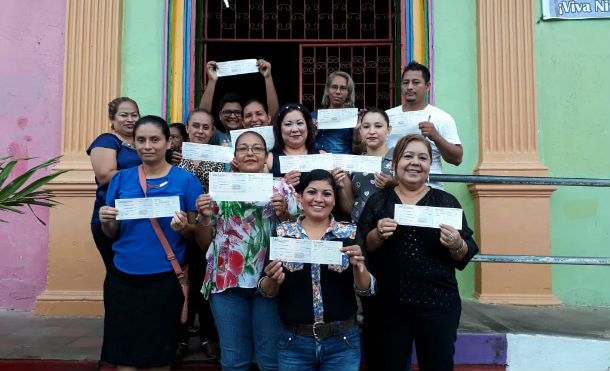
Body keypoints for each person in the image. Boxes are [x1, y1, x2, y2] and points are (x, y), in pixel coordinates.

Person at [357, 134, 478, 371]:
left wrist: (456, 244)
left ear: (429, 166)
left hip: (438, 305)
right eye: (408, 156)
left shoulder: (445, 201)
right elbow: (364, 246)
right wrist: (378, 234)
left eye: (423, 158)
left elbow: (466, 251)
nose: (415, 162)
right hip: (387, 305)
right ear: (395, 163)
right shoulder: (379, 201)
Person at [98, 115, 206, 370]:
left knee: (159, 357)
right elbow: (112, 232)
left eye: (155, 139)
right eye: (141, 140)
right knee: (124, 356)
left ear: (169, 143)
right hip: (123, 277)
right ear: (134, 144)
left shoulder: (186, 180)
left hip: (165, 278)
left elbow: (196, 233)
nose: (148, 146)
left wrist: (184, 228)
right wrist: (106, 220)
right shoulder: (120, 179)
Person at [196, 131, 302, 371]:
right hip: (226, 283)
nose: (250, 153)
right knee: (234, 361)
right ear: (235, 156)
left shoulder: (281, 188)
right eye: (243, 148)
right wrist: (203, 216)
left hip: (270, 282)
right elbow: (203, 243)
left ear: (266, 156)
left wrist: (283, 212)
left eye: (257, 148)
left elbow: (303, 234)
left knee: (271, 361)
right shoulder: (220, 188)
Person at [260, 169, 375, 371]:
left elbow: (367, 290)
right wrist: (272, 280)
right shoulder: (283, 234)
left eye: (327, 194)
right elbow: (267, 291)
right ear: (301, 196)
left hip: (343, 342)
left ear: (334, 199)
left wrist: (359, 268)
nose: (319, 199)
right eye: (311, 192)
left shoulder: (349, 233)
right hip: (293, 342)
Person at [175, 109, 224, 362]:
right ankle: (180, 338)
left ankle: (207, 337)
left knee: (205, 285)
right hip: (179, 229)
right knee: (183, 285)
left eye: (206, 127)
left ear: (213, 130)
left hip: (208, 229)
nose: (201, 131)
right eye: (196, 126)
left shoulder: (221, 160)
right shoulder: (174, 159)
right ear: (187, 128)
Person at [386, 61, 463, 189]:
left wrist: (436, 137)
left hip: (429, 188)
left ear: (427, 86)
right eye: (405, 83)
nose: (409, 87)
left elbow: (457, 159)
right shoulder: (387, 116)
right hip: (392, 188)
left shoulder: (441, 117)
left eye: (416, 82)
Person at [268, 104, 353, 219]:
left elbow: (348, 209)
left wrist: (337, 185)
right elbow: (260, 199)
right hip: (282, 226)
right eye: (288, 124)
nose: (295, 129)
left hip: (321, 224)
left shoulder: (323, 156)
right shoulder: (269, 159)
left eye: (300, 123)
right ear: (279, 129)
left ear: (308, 127)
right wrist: (283, 185)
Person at [87, 97, 141, 270]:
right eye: (124, 115)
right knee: (117, 271)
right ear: (112, 119)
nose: (130, 119)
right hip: (111, 216)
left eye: (134, 115)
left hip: (139, 214)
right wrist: (147, 174)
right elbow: (105, 176)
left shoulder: (141, 142)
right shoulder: (107, 140)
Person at [200, 59, 279, 144]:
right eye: (227, 112)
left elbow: (275, 117)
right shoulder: (217, 137)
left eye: (237, 112)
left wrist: (268, 77)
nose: (232, 116)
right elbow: (203, 119)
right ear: (220, 116)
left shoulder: (265, 136)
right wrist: (212, 81)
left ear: (243, 119)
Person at [349, 108, 395, 223]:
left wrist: (394, 183)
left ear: (388, 130)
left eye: (378, 126)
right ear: (360, 130)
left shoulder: (399, 158)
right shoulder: (354, 163)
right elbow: (350, 203)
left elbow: (415, 188)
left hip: (391, 226)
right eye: (366, 127)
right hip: (358, 225)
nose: (371, 131)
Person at [313, 71, 360, 154]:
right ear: (327, 90)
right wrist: (313, 132)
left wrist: (357, 132)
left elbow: (359, 151)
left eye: (343, 88)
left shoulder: (353, 118)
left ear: (348, 93)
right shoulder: (314, 116)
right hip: (318, 164)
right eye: (334, 87)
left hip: (344, 164)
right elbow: (301, 147)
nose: (338, 92)